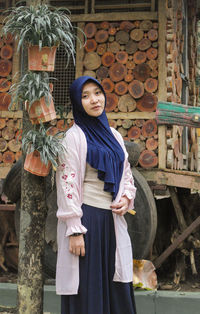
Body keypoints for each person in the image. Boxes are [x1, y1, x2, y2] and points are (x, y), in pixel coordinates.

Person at [56, 76, 137, 314]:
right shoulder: (74, 137)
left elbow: (126, 173)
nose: (94, 100)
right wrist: (74, 229)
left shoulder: (114, 135)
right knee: (89, 288)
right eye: (85, 96)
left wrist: (125, 197)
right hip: (87, 221)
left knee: (117, 287)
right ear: (77, 102)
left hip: (112, 221)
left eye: (97, 93)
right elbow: (66, 183)